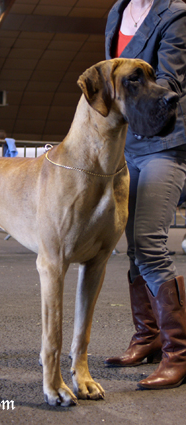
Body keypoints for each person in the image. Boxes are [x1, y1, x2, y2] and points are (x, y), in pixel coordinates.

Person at [104, 0, 186, 390]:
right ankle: (147, 337)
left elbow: (170, 81)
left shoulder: (175, 13)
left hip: (166, 140)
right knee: (133, 248)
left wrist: (131, 92)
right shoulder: (117, 12)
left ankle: (178, 353)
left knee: (150, 244)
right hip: (129, 144)